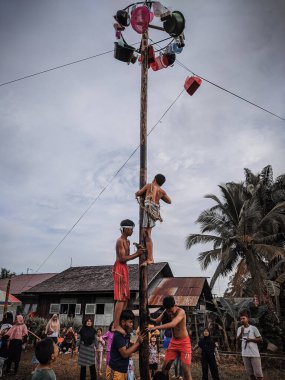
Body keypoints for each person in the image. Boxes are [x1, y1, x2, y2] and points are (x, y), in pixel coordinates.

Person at [148, 296, 192, 380]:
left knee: (186, 370)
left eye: (171, 311)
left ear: (174, 305)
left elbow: (173, 324)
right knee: (164, 368)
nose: (170, 313)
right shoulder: (166, 310)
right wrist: (149, 318)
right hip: (173, 342)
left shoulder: (181, 312)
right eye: (168, 311)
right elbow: (157, 320)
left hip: (184, 342)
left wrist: (154, 328)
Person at [113, 219, 144, 329]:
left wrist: (137, 249)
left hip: (124, 268)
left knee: (125, 297)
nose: (132, 231)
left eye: (132, 229)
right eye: (130, 229)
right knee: (120, 297)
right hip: (119, 268)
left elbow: (127, 257)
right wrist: (137, 254)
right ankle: (115, 325)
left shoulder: (128, 242)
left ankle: (121, 322)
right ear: (125, 229)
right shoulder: (120, 241)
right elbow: (122, 258)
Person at [135, 174, 171, 266]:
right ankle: (147, 254)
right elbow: (169, 201)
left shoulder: (149, 185)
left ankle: (150, 259)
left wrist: (137, 193)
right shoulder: (161, 191)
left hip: (149, 208)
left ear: (154, 179)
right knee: (145, 232)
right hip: (155, 210)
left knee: (147, 234)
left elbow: (139, 193)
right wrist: (160, 195)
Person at [106, 310, 146, 380]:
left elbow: (130, 349)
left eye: (132, 322)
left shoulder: (126, 334)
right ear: (123, 322)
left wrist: (139, 344)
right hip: (115, 371)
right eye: (130, 322)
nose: (132, 324)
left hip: (122, 370)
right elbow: (125, 354)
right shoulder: (118, 335)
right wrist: (138, 343)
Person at [237, 310, 263, 380]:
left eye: (243, 318)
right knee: (250, 374)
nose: (242, 320)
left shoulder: (253, 328)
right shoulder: (239, 329)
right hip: (245, 354)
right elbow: (237, 339)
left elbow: (260, 340)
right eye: (241, 319)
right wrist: (241, 332)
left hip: (254, 354)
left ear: (247, 319)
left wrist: (250, 340)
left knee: (259, 375)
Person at [0, 312, 13, 376]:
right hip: (8, 343)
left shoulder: (3, 325)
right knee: (4, 356)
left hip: (3, 342)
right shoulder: (12, 326)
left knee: (2, 356)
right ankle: (3, 368)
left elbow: (1, 333)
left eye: (5, 316)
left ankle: (1, 369)